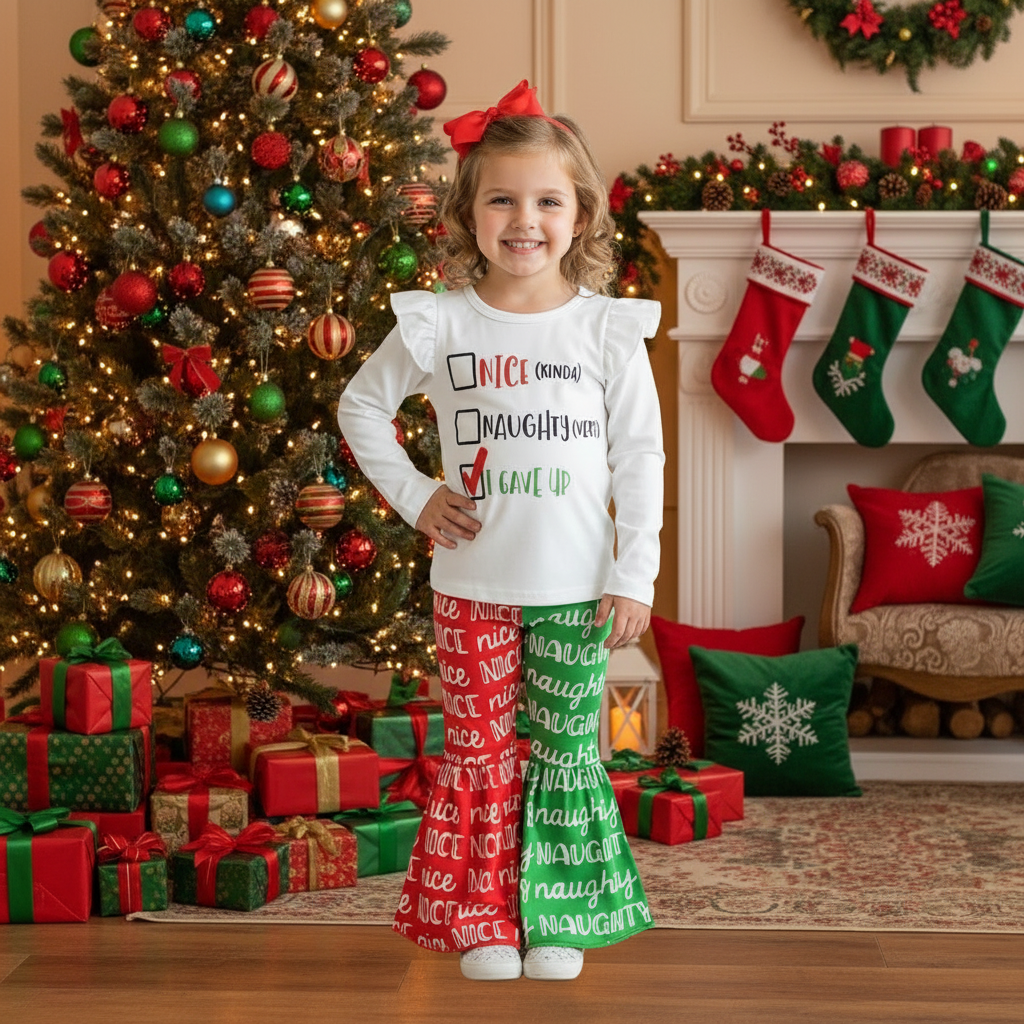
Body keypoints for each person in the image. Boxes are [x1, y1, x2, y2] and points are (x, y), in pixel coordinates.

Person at [337, 80, 663, 982]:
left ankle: (554, 915)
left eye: (548, 200)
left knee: (565, 749)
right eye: (503, 199)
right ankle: (482, 917)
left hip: (577, 585)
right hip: (472, 584)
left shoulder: (607, 331)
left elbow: (641, 457)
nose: (526, 220)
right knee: (477, 752)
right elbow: (360, 405)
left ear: (581, 214)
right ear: (467, 213)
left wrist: (635, 572)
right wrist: (413, 496)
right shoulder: (439, 323)